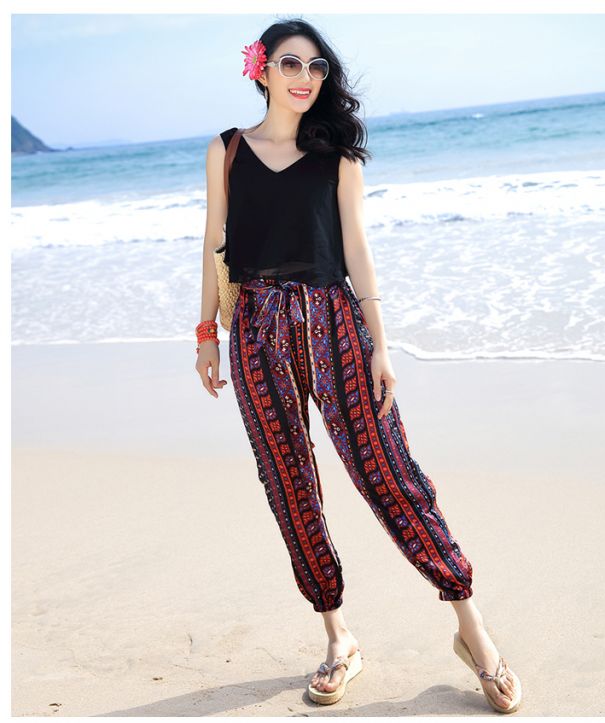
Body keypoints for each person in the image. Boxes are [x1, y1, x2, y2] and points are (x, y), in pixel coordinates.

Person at [195, 18, 522, 714]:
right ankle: (338, 637)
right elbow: (212, 242)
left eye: (316, 66)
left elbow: (357, 249)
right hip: (254, 329)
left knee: (389, 472)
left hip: (335, 322)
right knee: (289, 482)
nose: (305, 77)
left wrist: (381, 343)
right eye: (290, 63)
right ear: (261, 69)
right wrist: (204, 334)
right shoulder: (226, 150)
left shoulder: (337, 155)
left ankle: (473, 630)